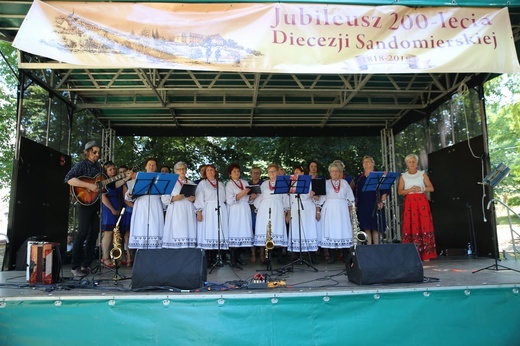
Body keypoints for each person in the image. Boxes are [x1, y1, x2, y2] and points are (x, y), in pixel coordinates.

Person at [65, 141, 105, 276]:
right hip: (84, 203)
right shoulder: (82, 165)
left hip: (95, 203)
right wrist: (88, 186)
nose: (97, 155)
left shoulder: (99, 167)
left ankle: (86, 265)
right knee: (82, 234)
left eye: (99, 152)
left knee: (93, 234)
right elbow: (69, 179)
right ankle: (75, 267)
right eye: (94, 152)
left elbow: (105, 185)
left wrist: (124, 178)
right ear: (87, 152)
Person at [398, 154, 437, 261]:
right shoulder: (403, 176)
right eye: (410, 162)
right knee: (410, 224)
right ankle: (411, 253)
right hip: (410, 202)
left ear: (417, 162)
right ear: (407, 163)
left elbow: (431, 188)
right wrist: (410, 190)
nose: (412, 163)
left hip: (421, 201)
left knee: (423, 224)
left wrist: (420, 188)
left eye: (413, 161)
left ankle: (426, 253)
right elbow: (400, 191)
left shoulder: (422, 174)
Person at [319, 162, 355, 264]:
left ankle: (346, 255)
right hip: (329, 210)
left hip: (342, 210)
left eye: (337, 171)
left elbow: (350, 198)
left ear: (340, 173)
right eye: (333, 171)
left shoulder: (344, 183)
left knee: (343, 230)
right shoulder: (325, 183)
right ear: (330, 173)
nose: (335, 173)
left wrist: (351, 210)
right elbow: (321, 199)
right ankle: (332, 256)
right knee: (331, 230)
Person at [126, 158, 165, 249]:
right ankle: (141, 251)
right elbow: (128, 194)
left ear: (156, 168)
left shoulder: (161, 179)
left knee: (155, 227)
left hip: (155, 205)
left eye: (153, 165)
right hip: (141, 205)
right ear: (146, 166)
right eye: (149, 165)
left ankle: (155, 251)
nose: (151, 167)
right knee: (141, 227)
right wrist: (130, 194)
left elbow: (164, 195)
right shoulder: (138, 178)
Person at [253, 164, 289, 264]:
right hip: (264, 210)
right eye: (270, 172)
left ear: (278, 172)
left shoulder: (282, 183)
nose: (272, 173)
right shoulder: (264, 184)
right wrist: (257, 210)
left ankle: (279, 256)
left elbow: (286, 199)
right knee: (266, 232)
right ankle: (266, 257)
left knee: (277, 230)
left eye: (274, 171)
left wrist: (287, 212)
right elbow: (259, 199)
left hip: (277, 209)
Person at [194, 164, 229, 265]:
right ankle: (207, 260)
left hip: (220, 209)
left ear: (215, 171)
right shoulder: (203, 183)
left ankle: (216, 258)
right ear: (205, 172)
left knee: (216, 233)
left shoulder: (221, 184)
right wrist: (199, 211)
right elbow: (199, 198)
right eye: (208, 170)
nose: (210, 172)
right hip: (208, 209)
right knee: (208, 232)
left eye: (212, 170)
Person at [352, 156, 390, 245]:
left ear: (373, 163)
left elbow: (385, 190)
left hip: (375, 204)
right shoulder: (360, 178)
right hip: (363, 205)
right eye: (364, 162)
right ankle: (369, 248)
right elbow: (356, 193)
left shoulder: (379, 176)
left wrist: (382, 202)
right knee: (366, 227)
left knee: (376, 227)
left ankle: (377, 247)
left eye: (368, 161)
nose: (366, 163)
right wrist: (356, 205)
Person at [161, 161, 197, 249]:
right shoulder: (170, 182)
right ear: (175, 171)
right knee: (176, 230)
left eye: (183, 169)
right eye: (179, 169)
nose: (182, 171)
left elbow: (197, 199)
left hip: (188, 210)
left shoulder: (191, 183)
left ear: (186, 170)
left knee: (187, 230)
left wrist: (193, 199)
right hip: (175, 209)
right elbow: (164, 198)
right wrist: (174, 198)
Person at [287, 166, 319, 262]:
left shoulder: (309, 182)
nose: (296, 174)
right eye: (295, 173)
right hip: (295, 207)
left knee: (309, 229)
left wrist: (313, 196)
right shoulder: (291, 183)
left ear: (302, 173)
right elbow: (289, 199)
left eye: (298, 172)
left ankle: (311, 255)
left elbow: (316, 197)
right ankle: (296, 255)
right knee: (296, 229)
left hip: (308, 208)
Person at [225, 163, 254, 268]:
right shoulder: (229, 184)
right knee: (235, 232)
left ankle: (239, 257)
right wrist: (243, 193)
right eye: (234, 171)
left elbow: (247, 199)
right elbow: (230, 200)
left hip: (244, 209)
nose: (236, 173)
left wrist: (252, 196)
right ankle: (233, 259)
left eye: (238, 171)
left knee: (243, 232)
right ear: (230, 174)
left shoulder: (245, 182)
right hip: (235, 210)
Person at [100, 161, 124, 268]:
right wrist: (112, 209)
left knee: (116, 233)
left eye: (114, 169)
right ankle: (105, 257)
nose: (113, 171)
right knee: (108, 232)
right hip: (109, 208)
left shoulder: (117, 181)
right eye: (110, 169)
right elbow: (103, 197)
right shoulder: (103, 181)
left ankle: (115, 256)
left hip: (117, 205)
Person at [121, 169, 137, 266]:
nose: (134, 174)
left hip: (140, 210)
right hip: (130, 210)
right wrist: (135, 207)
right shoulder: (126, 184)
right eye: (132, 173)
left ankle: (135, 256)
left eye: (135, 173)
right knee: (127, 233)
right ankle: (128, 257)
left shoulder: (142, 183)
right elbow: (126, 200)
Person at [248, 166, 264, 263]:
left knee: (261, 232)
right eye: (254, 172)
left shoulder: (263, 184)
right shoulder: (248, 184)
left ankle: (262, 254)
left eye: (258, 172)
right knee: (252, 231)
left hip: (261, 210)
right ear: (251, 174)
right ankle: (253, 254)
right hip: (250, 210)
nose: (256, 174)